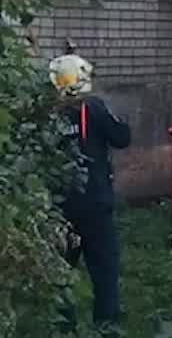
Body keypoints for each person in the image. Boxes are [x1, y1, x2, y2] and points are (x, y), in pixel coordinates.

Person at [50, 50, 131, 332]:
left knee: (61, 272)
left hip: (60, 209)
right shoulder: (94, 108)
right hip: (96, 206)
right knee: (105, 272)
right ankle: (107, 327)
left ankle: (64, 327)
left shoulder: (45, 115)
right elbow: (122, 137)